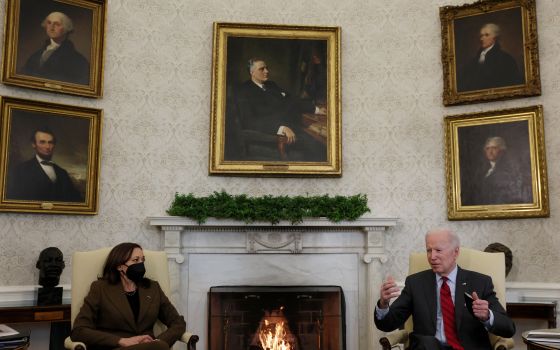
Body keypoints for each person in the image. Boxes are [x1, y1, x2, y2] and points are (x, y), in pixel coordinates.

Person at [374, 228, 515, 350]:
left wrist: (487, 316)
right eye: (429, 250)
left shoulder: (480, 282)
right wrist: (383, 304)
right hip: (427, 348)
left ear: (455, 252)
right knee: (426, 342)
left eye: (438, 250)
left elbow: (508, 328)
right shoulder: (415, 283)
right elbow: (387, 324)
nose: (432, 257)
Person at [71, 243, 186, 350]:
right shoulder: (100, 288)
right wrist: (121, 341)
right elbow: (79, 330)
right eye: (136, 260)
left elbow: (178, 322)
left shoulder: (153, 288)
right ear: (120, 266)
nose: (141, 264)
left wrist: (159, 341)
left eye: (142, 260)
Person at [227, 58, 327, 161]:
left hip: (293, 126)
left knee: (322, 140)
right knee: (318, 147)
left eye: (266, 68)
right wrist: (281, 127)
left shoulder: (271, 85)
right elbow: (249, 120)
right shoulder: (243, 91)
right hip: (273, 133)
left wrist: (316, 109)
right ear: (252, 72)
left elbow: (291, 100)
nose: (267, 71)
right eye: (262, 69)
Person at [6, 127, 83, 202]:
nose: (47, 146)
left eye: (50, 142)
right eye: (42, 142)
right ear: (33, 144)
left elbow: (75, 200)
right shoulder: (20, 170)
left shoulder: (62, 173)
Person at [22, 11, 90, 84]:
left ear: (66, 28)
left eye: (57, 24)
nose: (51, 27)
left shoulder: (79, 60)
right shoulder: (35, 55)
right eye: (49, 23)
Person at [461, 136, 532, 205]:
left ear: (502, 150)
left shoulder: (509, 170)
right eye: (487, 148)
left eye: (494, 148)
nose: (490, 152)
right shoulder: (481, 170)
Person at [457, 23, 523, 92]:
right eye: (481, 35)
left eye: (487, 35)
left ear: (495, 38)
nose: (482, 38)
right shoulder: (475, 59)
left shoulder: (505, 59)